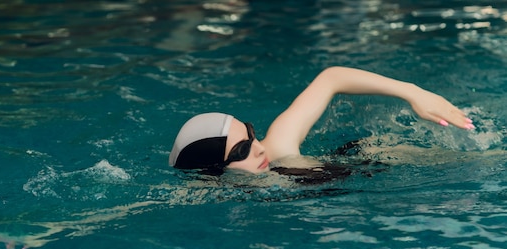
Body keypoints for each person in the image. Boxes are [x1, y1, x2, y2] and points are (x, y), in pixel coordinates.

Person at [168, 67, 475, 180]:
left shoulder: (279, 148)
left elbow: (331, 78)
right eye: (241, 151)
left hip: (368, 161)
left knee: (478, 161)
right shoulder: (207, 193)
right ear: (211, 174)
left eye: (251, 136)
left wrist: (414, 93)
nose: (260, 149)